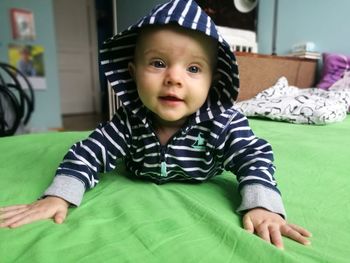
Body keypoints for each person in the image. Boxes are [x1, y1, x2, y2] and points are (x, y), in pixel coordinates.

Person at [0, 0, 311, 249]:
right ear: (134, 72)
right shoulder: (128, 121)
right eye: (158, 63)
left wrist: (263, 205)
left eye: (193, 68)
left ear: (212, 82)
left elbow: (254, 156)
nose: (174, 77)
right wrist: (60, 195)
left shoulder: (223, 123)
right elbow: (88, 152)